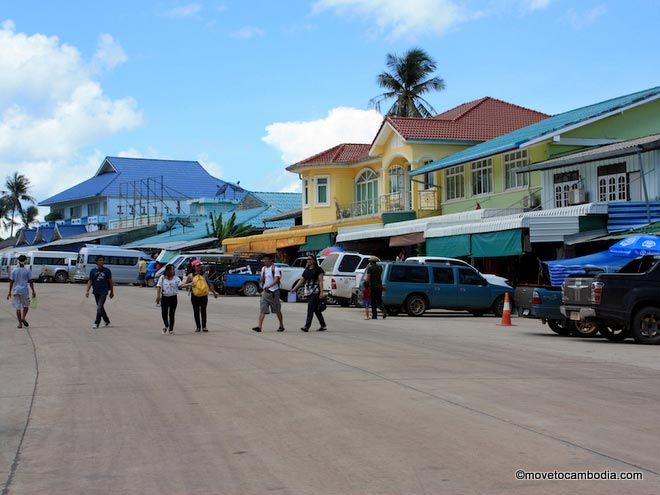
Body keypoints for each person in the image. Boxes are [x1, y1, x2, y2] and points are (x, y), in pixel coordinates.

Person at [181, 260, 219, 332]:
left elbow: (208, 284)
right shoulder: (190, 276)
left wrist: (214, 292)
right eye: (197, 265)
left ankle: (204, 327)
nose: (199, 267)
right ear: (194, 267)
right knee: (196, 311)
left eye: (199, 265)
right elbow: (182, 285)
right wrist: (189, 284)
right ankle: (198, 327)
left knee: (203, 310)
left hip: (204, 295)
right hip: (194, 295)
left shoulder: (204, 275)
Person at [291, 255, 327, 332]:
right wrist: (294, 289)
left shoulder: (318, 269)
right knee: (316, 310)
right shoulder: (307, 269)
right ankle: (323, 325)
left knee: (310, 308)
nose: (308, 260)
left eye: (310, 259)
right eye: (307, 259)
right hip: (308, 292)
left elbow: (321, 281)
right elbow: (302, 280)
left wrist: (321, 292)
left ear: (314, 260)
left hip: (316, 291)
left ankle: (307, 326)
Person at [252, 254, 284, 332]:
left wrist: (269, 286)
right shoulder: (263, 269)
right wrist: (261, 281)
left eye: (266, 259)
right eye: (264, 260)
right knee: (262, 309)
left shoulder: (275, 269)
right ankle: (259, 327)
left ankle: (281, 325)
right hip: (265, 292)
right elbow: (263, 278)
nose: (264, 261)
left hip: (274, 293)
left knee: (277, 310)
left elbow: (276, 280)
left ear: (270, 260)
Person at [7, 255, 37, 329]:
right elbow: (30, 281)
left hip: (16, 291)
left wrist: (9, 292)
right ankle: (23, 317)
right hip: (24, 291)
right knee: (26, 306)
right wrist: (33, 291)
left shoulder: (14, 270)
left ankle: (20, 324)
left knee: (18, 308)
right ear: (25, 261)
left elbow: (11, 281)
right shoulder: (27, 270)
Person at [85, 255, 114, 329]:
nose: (102, 261)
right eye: (100, 260)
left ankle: (96, 322)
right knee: (100, 307)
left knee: (99, 307)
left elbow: (110, 282)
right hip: (96, 291)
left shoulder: (107, 271)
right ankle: (107, 320)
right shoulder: (93, 271)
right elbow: (90, 281)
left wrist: (112, 292)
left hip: (104, 291)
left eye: (103, 260)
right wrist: (87, 291)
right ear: (96, 262)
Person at [156, 264, 181, 335]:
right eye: (172, 269)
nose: (173, 271)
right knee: (164, 313)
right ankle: (166, 325)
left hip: (173, 298)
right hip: (164, 298)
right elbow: (159, 286)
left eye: (173, 270)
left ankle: (171, 329)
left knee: (171, 314)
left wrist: (189, 284)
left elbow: (180, 285)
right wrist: (158, 296)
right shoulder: (162, 277)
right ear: (167, 271)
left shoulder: (176, 278)